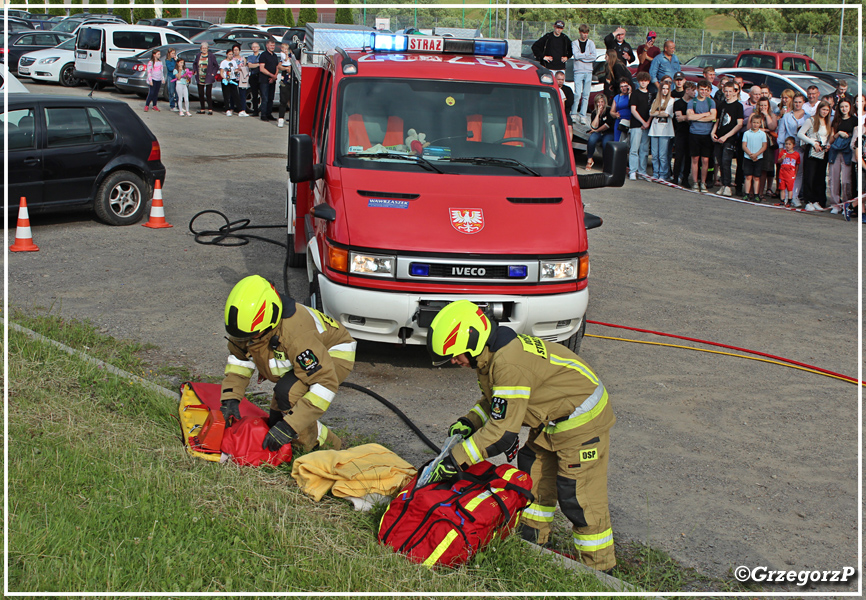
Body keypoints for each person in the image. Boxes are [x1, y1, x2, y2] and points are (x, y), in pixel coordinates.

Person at [425, 300, 616, 572]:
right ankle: (534, 547)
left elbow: (501, 433)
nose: (455, 362)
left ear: (473, 339)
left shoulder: (508, 362)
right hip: (551, 422)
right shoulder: (491, 354)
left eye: (456, 355)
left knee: (579, 498)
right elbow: (498, 399)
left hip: (582, 424)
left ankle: (600, 571)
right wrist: (470, 421)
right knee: (532, 480)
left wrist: (456, 460)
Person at [219, 275, 356, 454]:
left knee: (288, 396)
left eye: (251, 336)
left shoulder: (297, 335)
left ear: (268, 322)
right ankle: (327, 442)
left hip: (333, 355)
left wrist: (290, 427)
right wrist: (231, 397)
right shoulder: (249, 327)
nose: (245, 340)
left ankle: (307, 452)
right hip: (302, 353)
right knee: (277, 417)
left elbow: (325, 384)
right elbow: (240, 361)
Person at [710, 81, 744, 197]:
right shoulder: (721, 105)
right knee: (719, 161)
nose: (728, 94)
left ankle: (728, 185)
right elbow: (718, 120)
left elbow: (739, 124)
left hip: (729, 138)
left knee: (726, 161)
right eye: (726, 91)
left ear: (735, 92)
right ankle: (723, 184)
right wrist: (713, 132)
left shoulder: (738, 106)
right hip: (719, 136)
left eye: (730, 91)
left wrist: (726, 136)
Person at [798, 101, 832, 211]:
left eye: (827, 110)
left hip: (823, 152)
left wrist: (827, 145)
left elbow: (827, 136)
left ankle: (817, 200)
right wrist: (812, 142)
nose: (825, 112)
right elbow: (800, 134)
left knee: (819, 177)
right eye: (823, 109)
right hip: (812, 150)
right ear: (819, 109)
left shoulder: (828, 122)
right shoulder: (811, 120)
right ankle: (808, 200)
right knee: (810, 176)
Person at [777, 93, 808, 206]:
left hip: (801, 148)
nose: (798, 104)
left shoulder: (807, 116)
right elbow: (781, 131)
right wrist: (781, 147)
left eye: (800, 102)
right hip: (788, 148)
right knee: (786, 173)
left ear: (803, 103)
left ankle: (795, 196)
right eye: (796, 102)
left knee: (798, 173)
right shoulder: (787, 116)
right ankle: (785, 197)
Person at [687, 79, 717, 192]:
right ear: (698, 89)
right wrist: (705, 114)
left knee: (705, 160)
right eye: (701, 89)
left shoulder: (711, 102)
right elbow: (690, 117)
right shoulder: (692, 102)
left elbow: (713, 116)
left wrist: (698, 116)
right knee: (695, 158)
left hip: (706, 134)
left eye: (706, 90)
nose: (703, 92)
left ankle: (703, 182)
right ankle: (695, 182)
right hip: (694, 133)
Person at [827, 98, 855, 213]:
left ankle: (846, 204)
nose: (844, 109)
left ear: (850, 107)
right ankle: (835, 204)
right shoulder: (836, 121)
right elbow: (831, 139)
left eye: (846, 106)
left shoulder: (854, 120)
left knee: (846, 180)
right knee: (833, 178)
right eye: (842, 107)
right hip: (835, 152)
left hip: (848, 152)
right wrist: (838, 133)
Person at [628, 71, 652, 180]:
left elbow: (653, 110)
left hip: (647, 125)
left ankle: (642, 171)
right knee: (634, 149)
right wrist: (643, 122)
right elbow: (633, 110)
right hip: (636, 125)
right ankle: (633, 171)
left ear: (648, 82)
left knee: (644, 150)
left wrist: (648, 122)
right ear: (638, 82)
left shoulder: (651, 94)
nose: (643, 83)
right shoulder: (635, 94)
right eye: (641, 81)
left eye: (645, 81)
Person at [648, 80, 674, 181]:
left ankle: (663, 174)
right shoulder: (656, 100)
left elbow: (667, 114)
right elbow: (651, 113)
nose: (665, 91)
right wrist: (660, 112)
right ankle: (656, 173)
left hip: (665, 130)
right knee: (655, 154)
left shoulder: (671, 100)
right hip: (654, 129)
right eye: (663, 88)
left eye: (667, 89)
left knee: (663, 155)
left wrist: (657, 113)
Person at [571, 24, 596, 125]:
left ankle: (583, 115)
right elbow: (576, 55)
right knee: (577, 94)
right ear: (580, 32)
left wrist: (582, 57)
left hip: (588, 71)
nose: (584, 35)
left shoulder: (591, 43)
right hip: (578, 71)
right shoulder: (575, 43)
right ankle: (573, 113)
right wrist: (586, 55)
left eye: (586, 33)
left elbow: (593, 57)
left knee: (586, 94)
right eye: (583, 33)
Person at [672, 81, 695, 187]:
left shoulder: (694, 103)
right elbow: (679, 118)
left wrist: (688, 117)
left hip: (692, 133)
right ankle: (675, 177)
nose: (695, 93)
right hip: (681, 133)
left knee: (688, 157)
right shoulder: (678, 103)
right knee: (679, 156)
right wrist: (690, 117)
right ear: (687, 90)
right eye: (693, 90)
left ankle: (685, 178)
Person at [755, 97, 778, 200]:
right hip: (755, 142)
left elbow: (772, 127)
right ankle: (752, 191)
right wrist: (763, 129)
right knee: (754, 167)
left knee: (764, 169)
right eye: (761, 105)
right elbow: (750, 128)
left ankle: (761, 192)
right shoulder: (754, 115)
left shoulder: (772, 115)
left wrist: (766, 115)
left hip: (767, 144)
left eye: (765, 105)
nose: (763, 107)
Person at [741, 115, 768, 202]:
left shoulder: (763, 134)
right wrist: (750, 154)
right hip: (748, 157)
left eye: (757, 123)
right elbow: (744, 145)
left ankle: (756, 194)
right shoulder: (747, 133)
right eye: (754, 122)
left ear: (760, 123)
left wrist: (756, 154)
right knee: (748, 176)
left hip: (758, 158)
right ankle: (747, 193)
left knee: (756, 177)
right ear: (751, 123)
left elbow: (764, 146)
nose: (755, 125)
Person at [585, 93, 615, 170]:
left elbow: (607, 125)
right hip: (598, 132)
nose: (600, 104)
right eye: (598, 102)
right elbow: (593, 126)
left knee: (605, 142)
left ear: (605, 102)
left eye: (602, 102)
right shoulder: (594, 112)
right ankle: (590, 159)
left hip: (608, 132)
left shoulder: (609, 110)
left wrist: (596, 130)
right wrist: (598, 114)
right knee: (592, 139)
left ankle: (606, 162)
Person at [194, 42, 219, 115]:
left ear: (208, 48)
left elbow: (216, 66)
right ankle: (202, 109)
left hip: (208, 77)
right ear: (201, 49)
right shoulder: (198, 55)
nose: (204, 49)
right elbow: (195, 64)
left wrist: (213, 73)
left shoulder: (211, 56)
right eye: (203, 48)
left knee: (208, 94)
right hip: (200, 76)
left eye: (205, 48)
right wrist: (195, 71)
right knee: (201, 93)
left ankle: (210, 109)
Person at [258, 38, 280, 123]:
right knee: (265, 98)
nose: (272, 47)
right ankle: (263, 115)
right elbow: (262, 68)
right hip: (264, 80)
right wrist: (271, 75)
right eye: (271, 45)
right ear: (267, 46)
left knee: (271, 98)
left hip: (273, 80)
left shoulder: (274, 56)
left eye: (273, 45)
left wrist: (274, 76)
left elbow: (277, 67)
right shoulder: (263, 55)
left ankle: (269, 114)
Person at [776, 136, 801, 207]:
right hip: (782, 173)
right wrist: (781, 158)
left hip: (790, 174)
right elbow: (778, 161)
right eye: (786, 144)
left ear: (793, 145)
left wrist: (795, 174)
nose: (787, 146)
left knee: (790, 188)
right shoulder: (783, 152)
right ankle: (782, 200)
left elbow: (797, 164)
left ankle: (789, 201)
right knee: (782, 188)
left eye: (789, 144)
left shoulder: (796, 154)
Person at [219, 48, 240, 116]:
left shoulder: (234, 62)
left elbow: (236, 69)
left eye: (232, 54)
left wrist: (237, 71)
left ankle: (240, 110)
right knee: (226, 95)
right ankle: (227, 109)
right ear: (227, 54)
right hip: (226, 80)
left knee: (235, 95)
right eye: (229, 54)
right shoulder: (223, 62)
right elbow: (221, 72)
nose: (231, 55)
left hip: (232, 79)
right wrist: (224, 78)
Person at [554, 70, 574, 140]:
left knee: (569, 128)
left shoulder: (568, 89)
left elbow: (570, 102)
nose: (561, 81)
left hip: (565, 113)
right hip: (554, 113)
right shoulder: (552, 89)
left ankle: (569, 146)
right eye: (559, 79)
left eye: (562, 80)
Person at [611, 78, 632, 143]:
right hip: (620, 121)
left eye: (625, 86)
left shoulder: (632, 95)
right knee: (618, 141)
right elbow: (611, 111)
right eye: (621, 87)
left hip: (630, 120)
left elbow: (632, 104)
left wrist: (630, 92)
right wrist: (615, 114)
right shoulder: (617, 97)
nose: (623, 88)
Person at [277, 41, 293, 128]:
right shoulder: (283, 57)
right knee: (283, 101)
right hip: (285, 82)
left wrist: (289, 68)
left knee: (292, 102)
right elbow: (280, 66)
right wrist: (286, 68)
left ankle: (292, 119)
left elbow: (291, 69)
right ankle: (280, 119)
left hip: (293, 82)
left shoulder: (292, 59)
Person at [234, 45, 250, 117]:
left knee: (242, 94)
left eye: (237, 50)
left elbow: (245, 67)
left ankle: (243, 110)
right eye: (234, 50)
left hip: (242, 78)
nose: (236, 51)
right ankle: (233, 108)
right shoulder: (232, 59)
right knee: (234, 94)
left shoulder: (243, 58)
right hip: (234, 78)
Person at [247, 42, 262, 117]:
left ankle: (263, 111)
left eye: (256, 46)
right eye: (253, 47)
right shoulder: (250, 57)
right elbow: (250, 65)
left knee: (263, 94)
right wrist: (258, 64)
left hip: (260, 76)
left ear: (259, 47)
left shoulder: (261, 56)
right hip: (253, 76)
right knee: (254, 94)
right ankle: (255, 111)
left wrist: (256, 65)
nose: (254, 48)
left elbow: (262, 65)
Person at [165, 48, 178, 112]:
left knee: (177, 92)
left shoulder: (175, 60)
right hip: (171, 77)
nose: (173, 55)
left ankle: (179, 105)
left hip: (176, 77)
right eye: (172, 53)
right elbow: (170, 68)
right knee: (171, 91)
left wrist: (176, 61)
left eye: (174, 53)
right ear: (169, 54)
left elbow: (179, 66)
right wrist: (175, 68)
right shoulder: (168, 60)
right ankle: (172, 106)